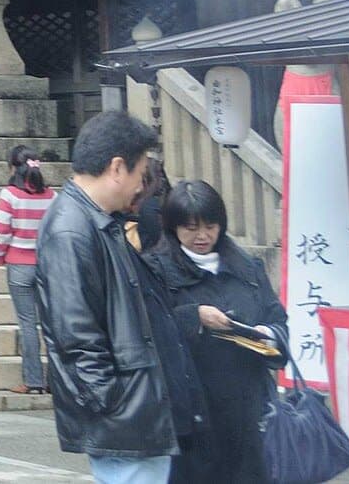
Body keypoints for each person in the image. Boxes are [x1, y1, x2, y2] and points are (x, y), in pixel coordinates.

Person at [37, 110, 180, 484]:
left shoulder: (95, 221)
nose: (140, 185)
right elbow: (75, 336)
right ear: (117, 167)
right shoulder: (71, 229)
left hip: (132, 412)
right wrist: (113, 402)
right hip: (122, 417)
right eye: (139, 172)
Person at [144, 179, 286, 484]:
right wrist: (193, 316)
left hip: (248, 414)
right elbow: (148, 329)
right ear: (173, 228)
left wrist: (263, 334)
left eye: (210, 226)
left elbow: (277, 320)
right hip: (193, 418)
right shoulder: (155, 270)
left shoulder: (247, 268)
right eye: (191, 227)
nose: (202, 236)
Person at [0, 145, 55, 394]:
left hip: (18, 264)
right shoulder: (52, 197)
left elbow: (2, 232)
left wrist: (1, 256)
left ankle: (32, 381)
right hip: (46, 265)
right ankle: (56, 380)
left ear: (12, 167)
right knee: (51, 324)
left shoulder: (9, 195)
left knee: (28, 324)